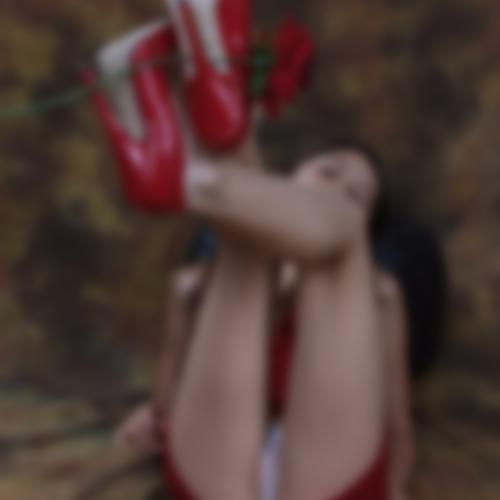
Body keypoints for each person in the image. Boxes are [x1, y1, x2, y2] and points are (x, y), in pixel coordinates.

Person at [85, 15, 431, 500]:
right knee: (247, 245)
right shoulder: (194, 283)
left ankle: (191, 168)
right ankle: (205, 169)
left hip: (327, 472)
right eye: (328, 172)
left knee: (319, 244)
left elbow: (398, 425)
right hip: (220, 468)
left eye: (357, 194)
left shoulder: (380, 292)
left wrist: (396, 489)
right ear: (288, 182)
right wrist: (154, 414)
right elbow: (168, 402)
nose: (339, 188)